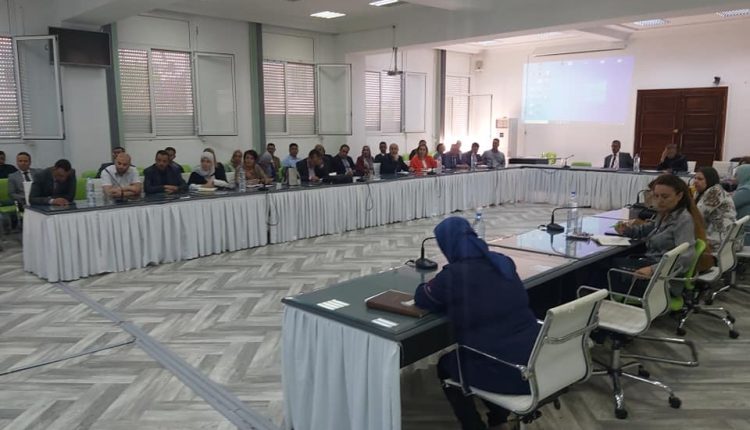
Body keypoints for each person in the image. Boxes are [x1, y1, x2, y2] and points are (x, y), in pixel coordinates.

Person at [414, 217, 540, 430]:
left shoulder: (454, 275)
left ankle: (473, 425)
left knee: (446, 365)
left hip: (509, 371)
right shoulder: (503, 262)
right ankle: (498, 417)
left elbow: (423, 298)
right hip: (537, 359)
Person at [614, 174, 707, 296]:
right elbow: (646, 229)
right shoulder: (664, 213)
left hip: (663, 280)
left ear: (679, 196)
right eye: (656, 196)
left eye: (665, 196)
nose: (659, 200)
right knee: (605, 264)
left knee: (603, 270)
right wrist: (627, 230)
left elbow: (685, 258)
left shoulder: (683, 220)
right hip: (653, 267)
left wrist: (652, 269)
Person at [694, 167, 736, 250]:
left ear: (710, 180)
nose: (695, 181)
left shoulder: (715, 191)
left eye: (700, 179)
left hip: (722, 239)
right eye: (695, 178)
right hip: (722, 236)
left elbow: (697, 215)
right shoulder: (700, 192)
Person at [733, 164, 750, 246]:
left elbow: (730, 204)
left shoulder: (746, 190)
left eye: (736, 175)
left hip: (745, 234)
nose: (734, 178)